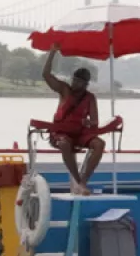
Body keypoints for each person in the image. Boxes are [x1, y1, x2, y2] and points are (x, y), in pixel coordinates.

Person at [39, 46, 117, 196]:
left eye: (78, 82)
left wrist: (89, 123)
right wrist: (52, 53)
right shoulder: (64, 90)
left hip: (80, 133)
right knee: (64, 143)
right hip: (61, 133)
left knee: (99, 144)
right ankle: (77, 178)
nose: (75, 83)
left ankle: (83, 181)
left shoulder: (89, 98)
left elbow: (94, 121)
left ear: (85, 84)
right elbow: (46, 74)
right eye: (74, 80)